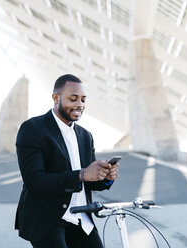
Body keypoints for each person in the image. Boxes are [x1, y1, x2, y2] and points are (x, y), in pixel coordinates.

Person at [15, 74, 119, 248]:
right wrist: (82, 174)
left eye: (83, 100)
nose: (80, 104)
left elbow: (90, 183)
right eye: (73, 98)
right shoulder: (32, 129)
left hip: (81, 218)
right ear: (55, 98)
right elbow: (34, 181)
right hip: (46, 219)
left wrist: (106, 177)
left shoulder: (86, 136)